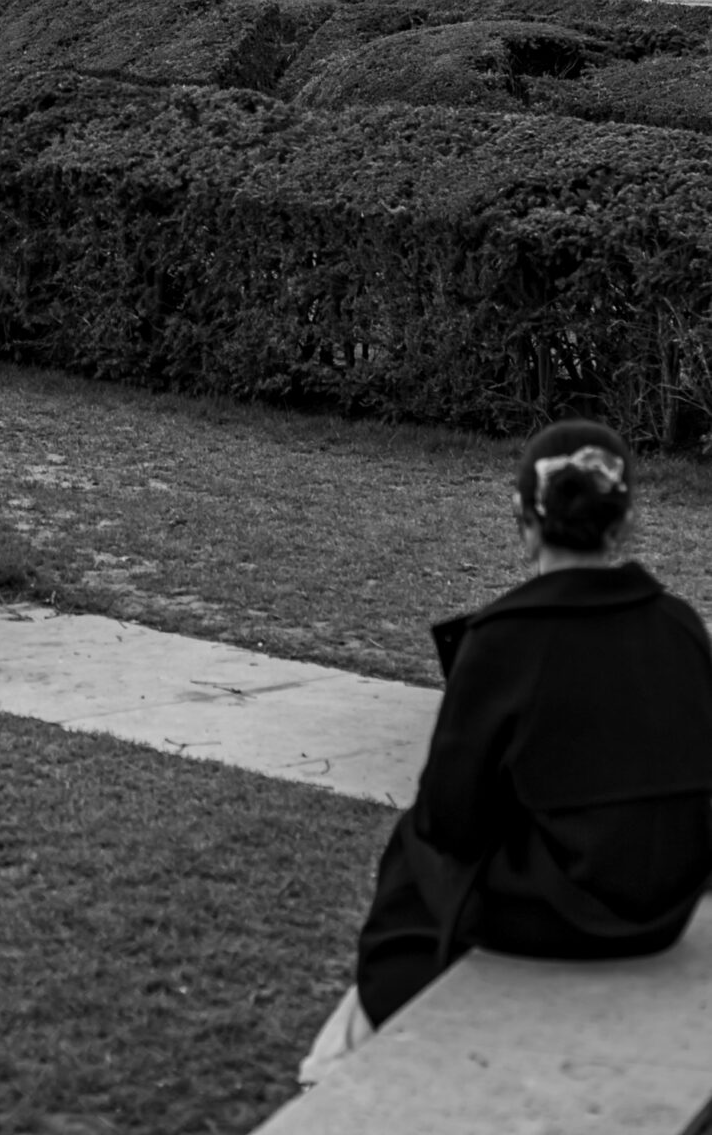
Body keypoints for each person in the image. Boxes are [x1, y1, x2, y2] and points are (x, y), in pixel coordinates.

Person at [302, 419, 712, 1085]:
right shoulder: (680, 626)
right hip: (664, 912)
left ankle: (378, 1023)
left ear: (523, 519)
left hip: (570, 921)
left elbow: (449, 821)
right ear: (624, 521)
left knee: (414, 846)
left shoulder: (502, 639)